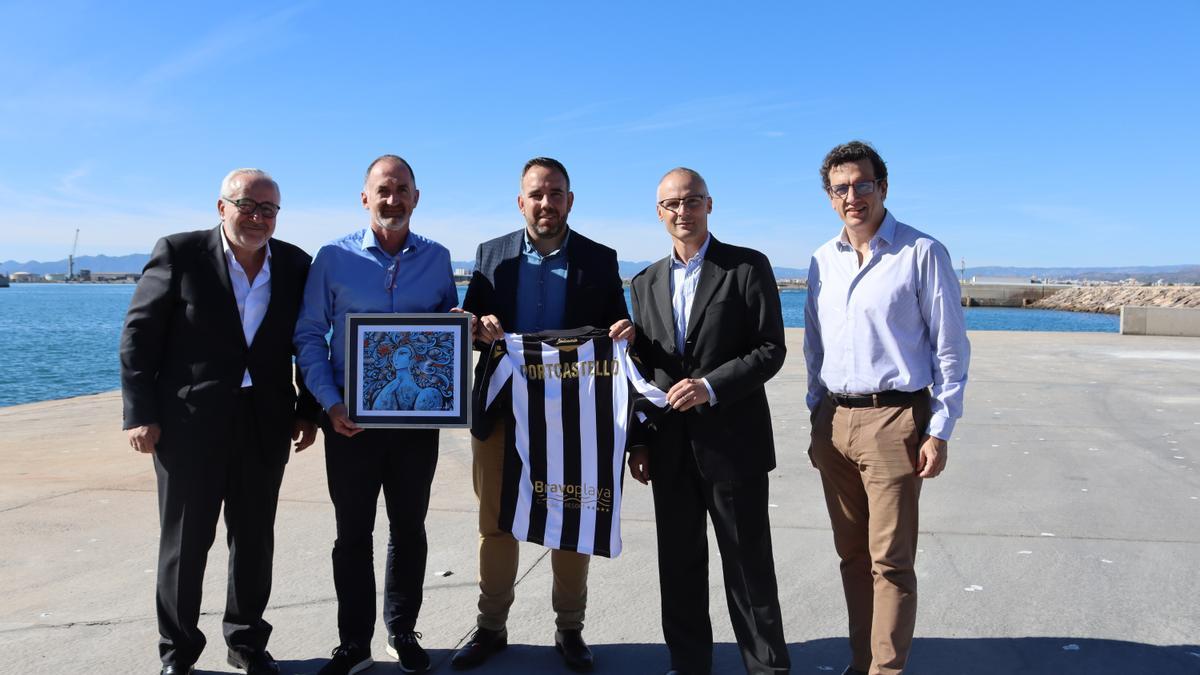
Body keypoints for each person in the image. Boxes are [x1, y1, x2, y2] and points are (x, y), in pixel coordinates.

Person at [120, 168, 319, 675]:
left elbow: (308, 341)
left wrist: (307, 409)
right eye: (246, 205)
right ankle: (178, 652)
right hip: (188, 425)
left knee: (253, 540)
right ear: (221, 207)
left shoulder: (296, 264)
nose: (256, 217)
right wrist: (140, 413)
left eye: (268, 209)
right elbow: (139, 337)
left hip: (265, 422)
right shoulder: (180, 253)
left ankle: (248, 644)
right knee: (185, 544)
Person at [455, 157, 633, 672]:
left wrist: (624, 331)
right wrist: (476, 327)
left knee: (570, 519)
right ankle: (490, 628)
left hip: (570, 417)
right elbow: (469, 329)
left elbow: (616, 326)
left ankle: (570, 629)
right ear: (520, 201)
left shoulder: (600, 260)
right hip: (501, 413)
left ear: (569, 200)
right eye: (536, 194)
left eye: (555, 193)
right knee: (496, 524)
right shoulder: (491, 255)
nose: (545, 203)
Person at [804, 141, 970, 675]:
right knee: (852, 558)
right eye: (841, 188)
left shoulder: (922, 253)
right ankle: (862, 662)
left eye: (863, 184)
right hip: (835, 421)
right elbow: (814, 346)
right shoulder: (821, 260)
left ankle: (886, 670)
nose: (853, 196)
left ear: (883, 187)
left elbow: (950, 348)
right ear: (830, 197)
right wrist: (816, 415)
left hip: (896, 420)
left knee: (890, 563)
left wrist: (939, 428)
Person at [293, 154, 460, 675]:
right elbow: (307, 335)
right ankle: (352, 642)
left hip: (415, 429)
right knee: (352, 534)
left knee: (409, 529)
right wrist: (329, 402)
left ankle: (402, 630)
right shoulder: (333, 258)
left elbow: (442, 341)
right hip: (351, 423)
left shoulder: (437, 259)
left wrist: (455, 327)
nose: (393, 200)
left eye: (402, 190)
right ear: (365, 197)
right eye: (383, 190)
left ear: (417, 196)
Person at [627, 167, 790, 675]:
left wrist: (710, 387)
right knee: (678, 567)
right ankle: (688, 663)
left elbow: (770, 349)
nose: (682, 211)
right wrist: (639, 441)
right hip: (670, 448)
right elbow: (646, 371)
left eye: (692, 201)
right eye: (672, 204)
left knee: (748, 566)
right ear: (659, 213)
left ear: (709, 204)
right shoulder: (643, 281)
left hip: (732, 444)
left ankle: (766, 666)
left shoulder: (746, 267)